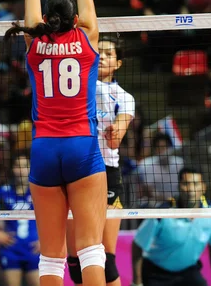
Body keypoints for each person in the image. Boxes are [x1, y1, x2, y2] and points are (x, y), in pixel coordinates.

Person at [4, 0, 107, 286]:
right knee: (90, 248)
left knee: (50, 256)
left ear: (46, 20)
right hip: (82, 145)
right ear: (75, 19)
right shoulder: (87, 37)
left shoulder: (33, 42)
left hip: (45, 148)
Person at [67, 37, 135, 286]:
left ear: (118, 63)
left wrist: (115, 130)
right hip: (77, 169)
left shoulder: (124, 97)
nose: (102, 56)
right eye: (99, 52)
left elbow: (117, 139)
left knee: (106, 258)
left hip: (107, 171)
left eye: (108, 54)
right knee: (75, 262)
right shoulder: (77, 86)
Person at [132, 167, 211, 286]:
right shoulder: (162, 212)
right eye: (186, 184)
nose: (191, 189)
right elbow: (137, 245)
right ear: (178, 187)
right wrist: (137, 282)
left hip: (188, 271)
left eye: (196, 184)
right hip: (156, 272)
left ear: (203, 187)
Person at [0, 153, 40, 286]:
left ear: (30, 168)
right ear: (12, 169)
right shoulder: (2, 192)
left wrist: (47, 241)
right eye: (17, 166)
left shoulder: (39, 192)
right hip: (11, 250)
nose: (21, 170)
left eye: (25, 166)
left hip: (34, 250)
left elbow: (55, 218)